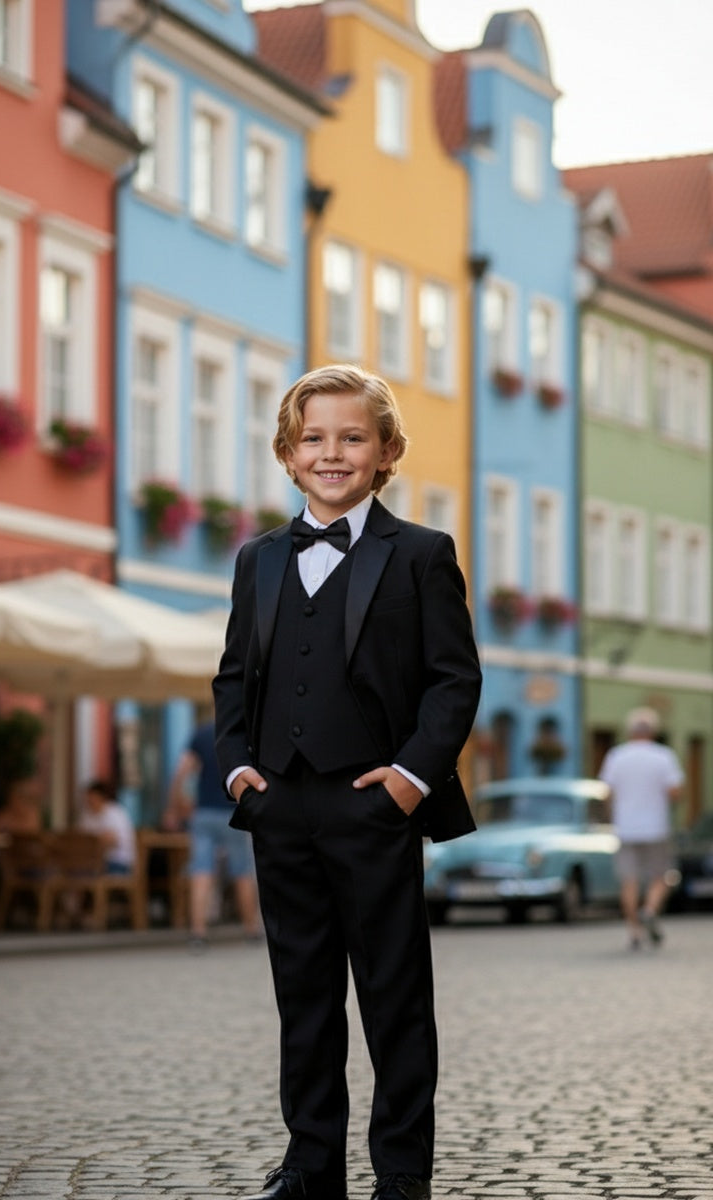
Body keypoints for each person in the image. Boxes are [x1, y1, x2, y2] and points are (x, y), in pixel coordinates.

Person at [213, 364, 482, 1200]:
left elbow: (453, 680)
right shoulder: (258, 559)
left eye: (352, 437)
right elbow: (232, 678)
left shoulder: (422, 556)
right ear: (288, 456)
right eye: (314, 439)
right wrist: (237, 768)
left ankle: (401, 1173)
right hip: (280, 805)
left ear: (386, 451)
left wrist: (408, 778)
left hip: (375, 805)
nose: (333, 453)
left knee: (394, 996)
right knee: (304, 995)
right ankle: (309, 1166)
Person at [162, 716, 260, 949]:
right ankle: (251, 929)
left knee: (201, 871)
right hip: (233, 812)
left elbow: (181, 772)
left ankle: (198, 931)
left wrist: (174, 807)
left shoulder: (202, 733)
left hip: (203, 813)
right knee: (242, 871)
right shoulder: (243, 733)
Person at [598, 706, 684, 949]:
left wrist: (611, 816)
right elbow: (675, 792)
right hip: (656, 826)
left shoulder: (616, 755)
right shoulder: (664, 756)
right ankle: (650, 908)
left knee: (629, 880)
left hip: (626, 827)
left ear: (630, 731)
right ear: (653, 731)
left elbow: (607, 793)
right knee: (662, 876)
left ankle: (634, 931)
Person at [79, 779, 135, 874]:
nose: (89, 801)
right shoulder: (86, 815)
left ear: (101, 797)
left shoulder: (114, 812)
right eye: (87, 797)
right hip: (94, 862)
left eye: (92, 797)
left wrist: (90, 842)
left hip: (118, 862)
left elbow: (111, 841)